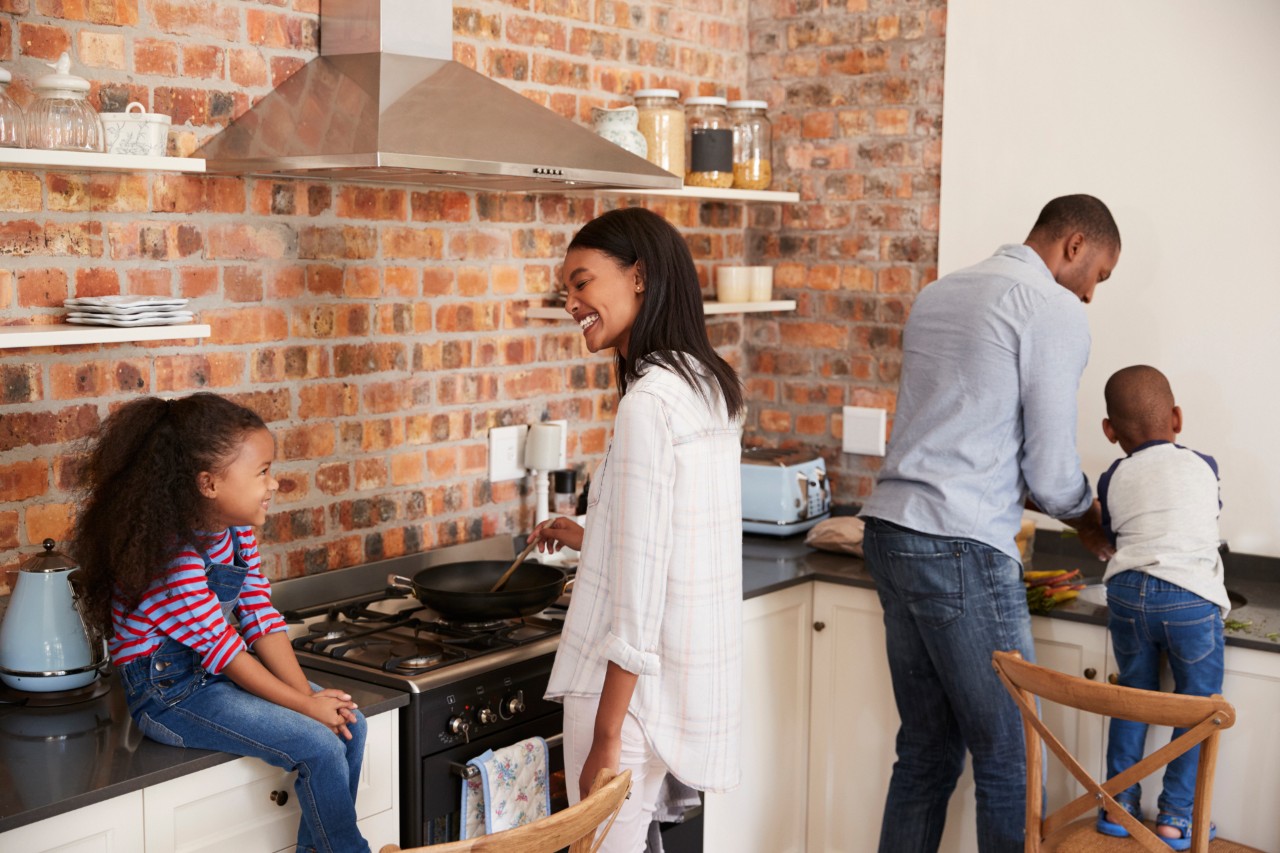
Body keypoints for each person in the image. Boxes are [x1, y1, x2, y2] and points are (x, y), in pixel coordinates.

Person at [858, 194, 1122, 852]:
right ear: (1074, 244)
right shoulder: (1052, 309)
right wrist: (1090, 520)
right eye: (1099, 274)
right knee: (1011, 754)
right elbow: (1053, 468)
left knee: (924, 752)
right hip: (960, 547)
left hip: (889, 532)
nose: (1092, 293)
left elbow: (964, 440)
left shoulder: (941, 293)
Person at [530, 206, 744, 851]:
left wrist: (605, 735)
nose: (571, 302)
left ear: (639, 278)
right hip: (680, 688)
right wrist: (589, 531)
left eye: (582, 282)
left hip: (627, 698)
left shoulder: (647, 403)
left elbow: (644, 587)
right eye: (566, 289)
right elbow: (670, 536)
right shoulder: (705, 381)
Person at [73, 393, 370, 853]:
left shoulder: (237, 534)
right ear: (209, 484)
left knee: (350, 724)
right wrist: (305, 707)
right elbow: (225, 651)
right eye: (262, 472)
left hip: (214, 677)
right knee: (321, 745)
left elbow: (259, 616)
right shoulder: (171, 561)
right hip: (168, 697)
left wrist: (308, 700)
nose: (274, 484)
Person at [1095, 365, 1226, 849]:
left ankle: (1118, 805)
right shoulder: (1204, 464)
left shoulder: (1113, 476)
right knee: (1196, 708)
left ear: (1110, 432)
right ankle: (1175, 820)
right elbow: (1202, 521)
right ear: (1177, 418)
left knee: (1133, 696)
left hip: (1127, 595)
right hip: (1191, 597)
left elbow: (1113, 536)